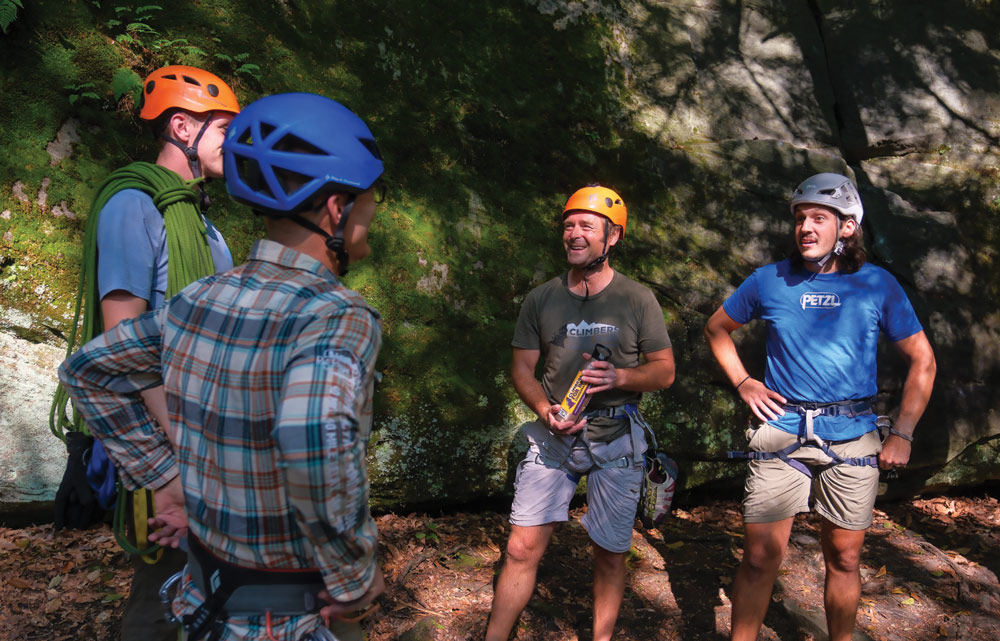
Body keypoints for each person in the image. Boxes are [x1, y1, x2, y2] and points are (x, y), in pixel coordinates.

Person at [58, 92, 387, 641]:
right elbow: (312, 442)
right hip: (292, 616)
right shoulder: (337, 315)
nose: (375, 210)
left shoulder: (200, 298)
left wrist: (163, 476)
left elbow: (89, 371)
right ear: (337, 206)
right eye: (373, 196)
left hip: (206, 603)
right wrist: (355, 577)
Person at [50, 64, 241, 641]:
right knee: (164, 592)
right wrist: (178, 456)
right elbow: (122, 341)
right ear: (183, 126)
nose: (237, 151)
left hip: (207, 435)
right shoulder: (134, 207)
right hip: (162, 441)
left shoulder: (202, 223)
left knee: (210, 585)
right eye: (227, 134)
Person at [703, 173, 936, 641]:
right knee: (758, 557)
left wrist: (903, 432)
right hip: (781, 432)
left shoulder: (877, 284)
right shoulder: (768, 281)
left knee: (845, 558)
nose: (805, 227)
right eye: (800, 219)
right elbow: (716, 329)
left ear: (846, 228)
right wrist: (745, 382)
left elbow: (923, 360)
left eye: (818, 218)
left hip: (851, 435)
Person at [485, 185, 675, 641]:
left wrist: (621, 379)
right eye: (568, 225)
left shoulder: (637, 299)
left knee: (610, 552)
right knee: (521, 546)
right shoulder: (542, 299)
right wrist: (543, 408)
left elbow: (665, 371)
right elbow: (522, 368)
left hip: (617, 438)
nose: (573, 233)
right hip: (554, 435)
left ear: (613, 237)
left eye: (586, 226)